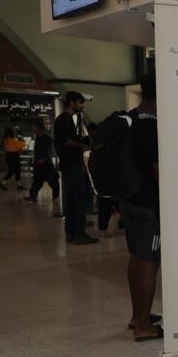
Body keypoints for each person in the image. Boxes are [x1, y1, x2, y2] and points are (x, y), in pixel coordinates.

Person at [120, 73, 163, 341]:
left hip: (129, 199)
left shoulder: (131, 118)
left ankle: (138, 315)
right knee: (150, 261)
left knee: (136, 257)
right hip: (149, 204)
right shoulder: (151, 126)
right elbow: (158, 174)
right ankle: (144, 327)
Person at [54, 91, 97, 244]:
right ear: (72, 102)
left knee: (72, 199)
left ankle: (71, 232)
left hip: (68, 165)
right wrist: (81, 145)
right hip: (71, 165)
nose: (81, 105)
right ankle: (79, 232)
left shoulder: (65, 119)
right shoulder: (64, 119)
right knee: (79, 198)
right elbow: (65, 140)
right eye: (80, 102)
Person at [24, 120, 61, 216]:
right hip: (38, 163)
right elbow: (36, 151)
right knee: (37, 180)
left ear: (39, 128)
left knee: (52, 180)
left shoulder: (48, 139)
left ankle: (55, 195)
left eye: (35, 128)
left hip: (46, 163)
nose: (34, 130)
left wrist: (44, 159)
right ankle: (33, 196)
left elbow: (49, 150)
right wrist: (35, 161)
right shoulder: (37, 138)